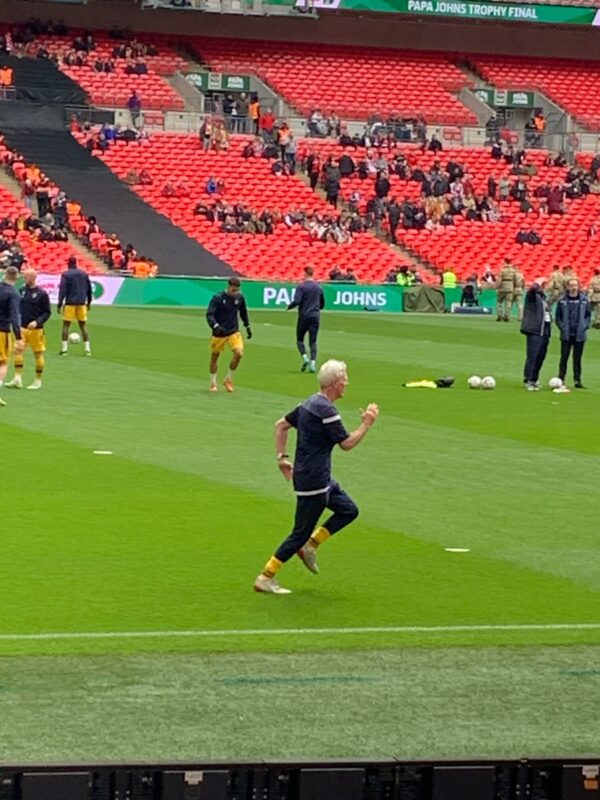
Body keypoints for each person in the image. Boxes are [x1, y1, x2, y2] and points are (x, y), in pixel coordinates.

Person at [254, 359, 379, 594]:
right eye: (344, 379)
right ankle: (265, 576)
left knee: (349, 510)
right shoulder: (327, 410)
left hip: (318, 478)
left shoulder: (310, 402)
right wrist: (367, 424)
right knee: (300, 531)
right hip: (314, 481)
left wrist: (282, 458)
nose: (347, 383)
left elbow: (281, 425)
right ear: (334, 383)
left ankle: (311, 546)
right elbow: (347, 443)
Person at [5, 268, 51, 390]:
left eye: (25, 277)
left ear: (32, 277)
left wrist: (37, 322)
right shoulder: (21, 291)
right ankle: (17, 378)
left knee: (38, 354)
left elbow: (47, 312)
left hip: (37, 330)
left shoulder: (42, 294)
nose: (23, 279)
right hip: (22, 328)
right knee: (18, 351)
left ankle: (37, 380)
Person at [206, 277, 251, 393]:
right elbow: (209, 314)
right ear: (229, 287)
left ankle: (228, 379)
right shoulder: (218, 298)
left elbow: (243, 312)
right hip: (219, 333)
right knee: (214, 358)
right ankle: (213, 382)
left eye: (237, 290)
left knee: (239, 353)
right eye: (233, 290)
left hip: (233, 331)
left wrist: (247, 326)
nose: (235, 293)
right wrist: (215, 326)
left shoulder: (240, 297)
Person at [287, 265, 325, 374]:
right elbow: (322, 304)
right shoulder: (319, 287)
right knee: (313, 341)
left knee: (300, 339)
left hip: (304, 316)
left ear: (305, 274)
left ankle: (305, 358)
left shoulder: (301, 287)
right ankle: (313, 363)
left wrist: (289, 306)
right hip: (315, 316)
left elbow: (297, 301)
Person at [555, 277, 591, 389]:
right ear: (568, 287)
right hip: (566, 334)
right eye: (571, 285)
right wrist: (562, 327)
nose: (574, 287)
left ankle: (577, 380)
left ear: (578, 286)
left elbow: (588, 315)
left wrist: (584, 326)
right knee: (564, 358)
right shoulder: (562, 301)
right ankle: (561, 378)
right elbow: (558, 317)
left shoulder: (584, 300)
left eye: (576, 285)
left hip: (579, 334)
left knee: (577, 358)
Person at [521, 278, 551, 391]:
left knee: (541, 356)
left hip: (545, 330)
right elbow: (532, 290)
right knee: (532, 355)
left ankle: (534, 378)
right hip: (535, 330)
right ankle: (528, 379)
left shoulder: (544, 299)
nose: (543, 286)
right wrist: (537, 282)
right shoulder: (532, 297)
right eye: (542, 285)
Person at [58, 256, 93, 355]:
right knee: (83, 325)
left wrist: (60, 303)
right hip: (82, 303)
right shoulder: (83, 274)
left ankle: (64, 349)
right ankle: (87, 349)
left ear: (68, 264)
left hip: (70, 303)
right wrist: (89, 302)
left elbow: (63, 290)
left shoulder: (66, 275)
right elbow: (89, 289)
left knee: (66, 325)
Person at [0, 266, 24, 406]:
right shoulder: (13, 293)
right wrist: (19, 336)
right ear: (17, 277)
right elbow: (15, 316)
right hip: (2, 331)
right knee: (2, 363)